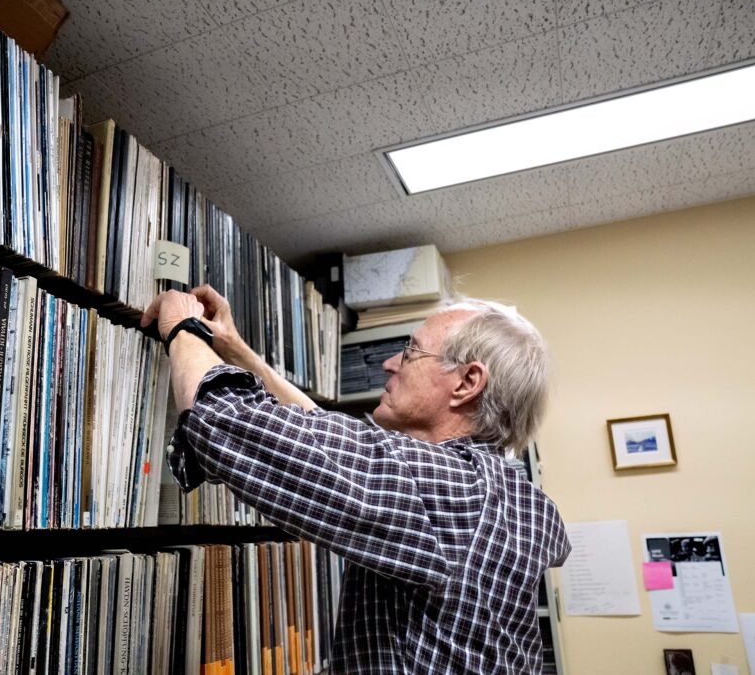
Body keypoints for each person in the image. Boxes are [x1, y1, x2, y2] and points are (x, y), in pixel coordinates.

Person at [142, 285, 571, 674]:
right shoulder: (506, 493)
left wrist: (181, 326)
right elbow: (320, 439)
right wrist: (237, 352)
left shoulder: (451, 491)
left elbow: (226, 424)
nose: (388, 364)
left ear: (467, 382)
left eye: (410, 352)